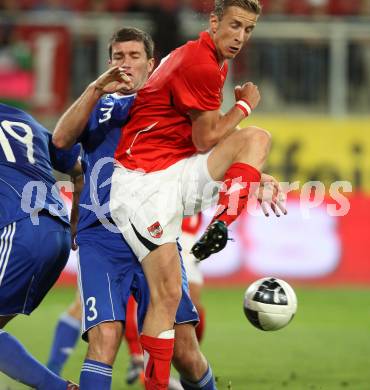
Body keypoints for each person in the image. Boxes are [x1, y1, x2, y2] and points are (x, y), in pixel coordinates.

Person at [110, 1, 287, 388]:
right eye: (235, 25)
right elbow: (206, 137)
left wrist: (254, 175)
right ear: (214, 22)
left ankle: (221, 225)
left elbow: (199, 143)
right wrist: (244, 104)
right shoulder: (200, 62)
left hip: (172, 175)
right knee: (168, 295)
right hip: (142, 185)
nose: (240, 36)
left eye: (249, 29)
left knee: (257, 140)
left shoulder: (211, 61)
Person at [53, 27, 213, 390]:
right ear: (109, 63)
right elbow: (61, 143)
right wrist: (95, 89)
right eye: (118, 56)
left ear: (151, 64)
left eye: (134, 56)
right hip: (103, 238)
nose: (126, 64)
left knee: (185, 352)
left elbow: (211, 149)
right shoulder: (94, 105)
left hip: (154, 233)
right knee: (103, 340)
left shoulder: (170, 105)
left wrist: (257, 175)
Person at [0, 103, 81, 389]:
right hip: (55, 233)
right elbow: (78, 168)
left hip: (19, 228)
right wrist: (74, 224)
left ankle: (59, 388)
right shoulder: (24, 119)